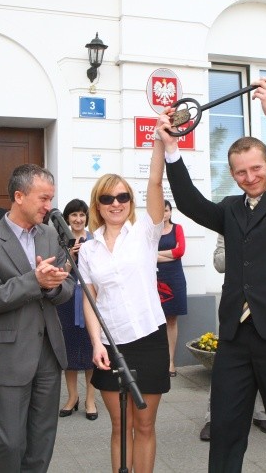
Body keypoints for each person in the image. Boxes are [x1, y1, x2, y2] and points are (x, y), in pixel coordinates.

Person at [160, 75, 266, 472]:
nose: (249, 177)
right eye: (240, 172)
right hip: (235, 335)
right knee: (227, 428)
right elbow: (190, 203)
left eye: (255, 168)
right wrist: (171, 148)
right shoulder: (230, 209)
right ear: (232, 174)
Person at [0, 164, 74, 472]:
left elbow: (66, 286)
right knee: (9, 442)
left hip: (49, 354)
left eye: (51, 198)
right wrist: (35, 281)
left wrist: (54, 289)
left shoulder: (52, 236)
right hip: (11, 355)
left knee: (42, 442)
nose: (49, 206)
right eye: (43, 198)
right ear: (19, 196)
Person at [79, 124, 170, 473]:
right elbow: (90, 299)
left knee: (144, 425)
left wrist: (159, 144)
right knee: (120, 427)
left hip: (149, 339)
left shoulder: (146, 233)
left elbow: (155, 185)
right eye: (107, 198)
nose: (115, 204)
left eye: (122, 197)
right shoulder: (88, 249)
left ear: (130, 202)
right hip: (110, 345)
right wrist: (95, 344)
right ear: (97, 205)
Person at [199, 234, 266, 442]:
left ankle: (262, 413)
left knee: (264, 360)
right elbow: (219, 263)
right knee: (224, 364)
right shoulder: (231, 223)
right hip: (236, 306)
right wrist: (244, 246)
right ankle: (214, 418)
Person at [55, 199, 97, 420]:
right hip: (67, 302)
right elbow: (58, 273)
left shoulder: (95, 238)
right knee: (69, 352)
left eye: (82, 215)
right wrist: (71, 255)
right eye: (74, 215)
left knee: (90, 351)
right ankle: (72, 397)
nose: (78, 219)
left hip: (89, 301)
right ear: (67, 218)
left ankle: (91, 399)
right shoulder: (60, 240)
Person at [157, 200, 188, 376]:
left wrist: (158, 254)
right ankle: (157, 360)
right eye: (161, 210)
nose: (164, 214)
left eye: (166, 210)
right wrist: (170, 255)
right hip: (154, 278)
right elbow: (147, 254)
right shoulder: (152, 232)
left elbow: (180, 251)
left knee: (171, 320)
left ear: (170, 212)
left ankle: (170, 362)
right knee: (156, 321)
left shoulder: (178, 229)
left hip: (174, 278)